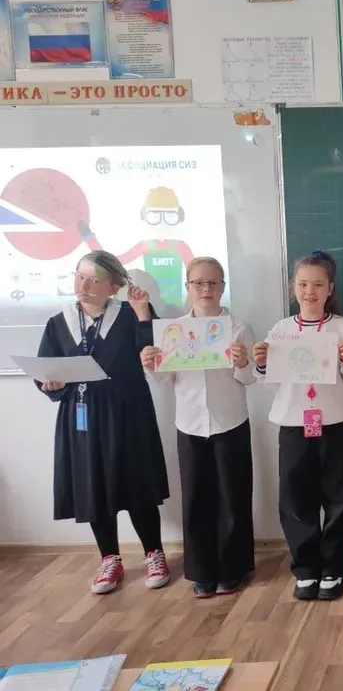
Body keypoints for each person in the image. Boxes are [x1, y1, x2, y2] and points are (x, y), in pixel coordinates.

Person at [34, 251, 171, 594]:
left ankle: (154, 552)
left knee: (136, 482)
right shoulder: (59, 322)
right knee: (92, 484)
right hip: (81, 415)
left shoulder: (129, 313)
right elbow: (45, 370)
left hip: (128, 412)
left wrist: (144, 314)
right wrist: (50, 383)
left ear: (113, 286)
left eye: (94, 280)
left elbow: (158, 352)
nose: (84, 285)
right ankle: (109, 557)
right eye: (79, 277)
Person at [253, 250, 343, 601]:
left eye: (318, 284)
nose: (310, 291)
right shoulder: (282, 330)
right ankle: (305, 569)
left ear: (330, 288)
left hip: (335, 426)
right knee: (295, 500)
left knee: (339, 499)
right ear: (293, 287)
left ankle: (334, 568)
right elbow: (268, 380)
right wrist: (261, 362)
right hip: (293, 427)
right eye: (303, 284)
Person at [141, 256, 256, 598]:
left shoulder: (238, 328)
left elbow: (250, 378)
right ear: (188, 286)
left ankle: (233, 569)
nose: (206, 289)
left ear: (223, 287)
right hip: (190, 424)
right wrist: (151, 365)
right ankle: (202, 571)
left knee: (233, 498)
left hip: (230, 421)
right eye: (198, 283)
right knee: (195, 499)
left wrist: (243, 362)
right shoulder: (173, 331)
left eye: (213, 283)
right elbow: (166, 379)